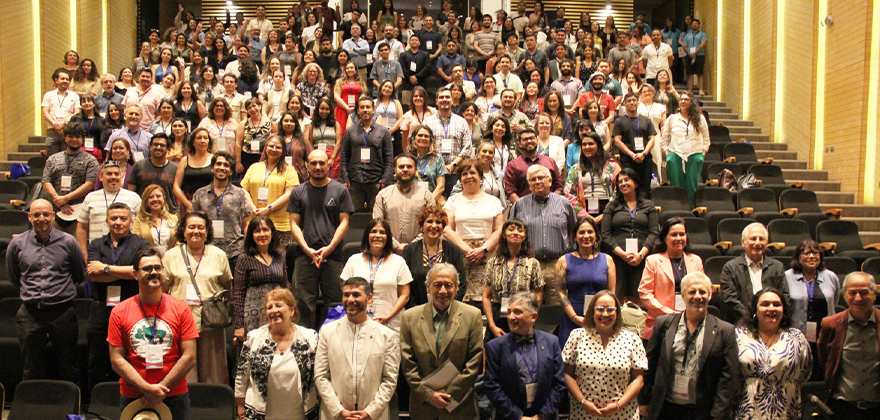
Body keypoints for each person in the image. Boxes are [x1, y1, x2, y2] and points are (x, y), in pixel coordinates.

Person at [108, 247, 198, 419]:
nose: (154, 272)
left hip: (173, 394)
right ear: (135, 274)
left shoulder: (181, 309)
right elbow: (116, 359)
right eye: (147, 269)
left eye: (158, 268)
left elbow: (190, 356)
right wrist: (145, 388)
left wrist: (160, 388)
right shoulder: (120, 311)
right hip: (134, 395)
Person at [638, 272, 739, 420]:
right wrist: (644, 401)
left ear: (710, 296)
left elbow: (728, 378)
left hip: (704, 412)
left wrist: (718, 414)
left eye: (703, 292)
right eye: (692, 292)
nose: (698, 296)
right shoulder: (664, 324)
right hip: (666, 408)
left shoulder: (725, 331)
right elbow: (650, 365)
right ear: (683, 296)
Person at [7, 198, 85, 383]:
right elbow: (14, 276)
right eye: (36, 214)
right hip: (30, 314)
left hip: (62, 312)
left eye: (45, 214)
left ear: (53, 215)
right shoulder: (17, 244)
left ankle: (69, 407)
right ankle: (32, 407)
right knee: (31, 367)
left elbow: (78, 274)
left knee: (67, 365)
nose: (41, 218)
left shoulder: (68, 242)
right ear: (29, 217)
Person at [400, 263, 483, 419]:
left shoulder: (472, 315)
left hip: (459, 406)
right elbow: (407, 363)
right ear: (428, 288)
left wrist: (449, 395)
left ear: (456, 289)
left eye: (448, 285)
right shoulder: (410, 317)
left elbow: (475, 360)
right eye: (437, 285)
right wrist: (428, 395)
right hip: (423, 407)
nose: (443, 291)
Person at [162, 210, 234, 384]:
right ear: (183, 230)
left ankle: (211, 408)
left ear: (207, 231)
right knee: (186, 371)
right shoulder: (171, 255)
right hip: (181, 321)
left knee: (213, 372)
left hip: (211, 322)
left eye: (201, 227)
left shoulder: (219, 255)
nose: (196, 231)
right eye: (191, 227)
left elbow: (228, 286)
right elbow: (164, 289)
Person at [84, 202, 150, 390]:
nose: (118, 222)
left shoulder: (141, 243)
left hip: (132, 309)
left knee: (131, 358)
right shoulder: (96, 244)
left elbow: (139, 271)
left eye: (123, 218)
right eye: (113, 218)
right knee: (97, 360)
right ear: (106, 221)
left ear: (131, 221)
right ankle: (97, 403)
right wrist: (127, 272)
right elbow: (93, 274)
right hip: (101, 310)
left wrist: (106, 269)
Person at [314, 277, 400, 420]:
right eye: (346, 295)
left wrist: (370, 412)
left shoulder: (386, 335)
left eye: (356, 294)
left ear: (369, 298)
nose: (350, 299)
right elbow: (321, 376)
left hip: (374, 416)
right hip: (335, 415)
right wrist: (339, 410)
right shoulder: (327, 332)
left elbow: (390, 380)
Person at [288, 150, 355, 328]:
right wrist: (307, 249)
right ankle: (303, 346)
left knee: (336, 304)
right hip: (305, 257)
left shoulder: (340, 191)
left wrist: (329, 249)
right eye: (314, 163)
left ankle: (333, 345)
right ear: (307, 166)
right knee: (300, 304)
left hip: (332, 257)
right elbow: (294, 224)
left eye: (322, 163)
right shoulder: (298, 192)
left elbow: (344, 223)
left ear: (329, 165)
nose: (318, 167)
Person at [234, 288, 319, 420]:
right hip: (260, 414)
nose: (273, 310)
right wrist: (240, 406)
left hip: (300, 414)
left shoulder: (310, 338)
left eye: (278, 305)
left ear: (292, 310)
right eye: (269, 307)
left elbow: (320, 375)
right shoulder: (254, 338)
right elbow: (241, 375)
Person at [563, 290, 647, 419]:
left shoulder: (632, 339)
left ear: (617, 312)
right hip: (584, 413)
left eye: (610, 309)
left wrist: (619, 405)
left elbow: (638, 379)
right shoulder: (576, 336)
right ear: (592, 311)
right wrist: (583, 402)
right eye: (600, 309)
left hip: (623, 414)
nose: (605, 314)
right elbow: (568, 375)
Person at [483, 292, 566, 419]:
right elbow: (491, 386)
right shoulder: (495, 347)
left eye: (517, 312)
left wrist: (542, 415)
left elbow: (559, 384)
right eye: (509, 312)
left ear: (533, 317)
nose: (510, 317)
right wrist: (518, 416)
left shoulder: (551, 342)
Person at [734, 288, 812, 419]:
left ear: (784, 310)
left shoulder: (796, 338)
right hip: (747, 412)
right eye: (765, 304)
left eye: (777, 304)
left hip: (785, 412)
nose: (771, 308)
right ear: (755, 310)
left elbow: (805, 372)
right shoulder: (739, 336)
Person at [817, 272, 880, 420]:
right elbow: (825, 360)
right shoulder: (830, 325)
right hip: (842, 409)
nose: (858, 298)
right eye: (852, 293)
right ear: (845, 296)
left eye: (864, 292)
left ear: (874, 294)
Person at [444, 159, 505, 303]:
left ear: (481, 178)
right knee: (461, 300)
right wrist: (467, 250)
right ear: (460, 180)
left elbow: (499, 229)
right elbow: (447, 229)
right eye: (464, 174)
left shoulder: (494, 201)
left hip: (488, 256)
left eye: (472, 172)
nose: (469, 176)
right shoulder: (453, 201)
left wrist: (483, 250)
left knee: (488, 300)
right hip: (460, 256)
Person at [638, 217, 705, 340]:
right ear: (665, 238)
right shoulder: (653, 261)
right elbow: (645, 293)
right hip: (661, 322)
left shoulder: (695, 260)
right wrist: (668, 313)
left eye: (682, 234)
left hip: (691, 322)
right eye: (674, 235)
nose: (678, 238)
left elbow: (703, 289)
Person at [340, 218, 412, 331]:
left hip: (391, 323)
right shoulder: (353, 261)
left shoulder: (398, 262)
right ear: (367, 236)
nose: (377, 235)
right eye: (373, 231)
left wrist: (388, 316)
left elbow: (405, 295)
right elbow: (347, 293)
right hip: (358, 323)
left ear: (388, 237)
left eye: (382, 232)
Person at [601, 167, 659, 303]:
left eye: (627, 180)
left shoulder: (648, 206)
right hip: (618, 259)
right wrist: (622, 254)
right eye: (620, 182)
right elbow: (605, 234)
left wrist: (641, 255)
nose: (623, 184)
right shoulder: (612, 206)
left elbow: (654, 232)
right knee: (618, 297)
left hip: (642, 259)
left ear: (636, 183)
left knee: (639, 298)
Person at [556, 216, 616, 347]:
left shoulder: (608, 260)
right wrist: (574, 317)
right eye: (581, 232)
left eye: (590, 232)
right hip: (572, 317)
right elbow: (560, 293)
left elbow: (612, 294)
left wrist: (603, 316)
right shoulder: (564, 261)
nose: (586, 236)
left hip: (601, 318)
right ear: (575, 237)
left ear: (596, 235)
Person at [481, 219, 545, 338]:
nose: (516, 233)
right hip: (497, 316)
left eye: (520, 231)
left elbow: (537, 295)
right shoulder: (492, 263)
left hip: (522, 316)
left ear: (524, 236)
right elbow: (486, 296)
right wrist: (492, 325)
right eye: (511, 229)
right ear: (504, 235)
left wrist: (529, 319)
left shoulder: (532, 263)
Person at [191, 152, 254, 271]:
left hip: (235, 252)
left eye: (226, 165)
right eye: (218, 164)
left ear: (230, 171)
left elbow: (246, 224)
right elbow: (192, 222)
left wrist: (246, 250)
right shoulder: (200, 194)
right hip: (206, 251)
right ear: (212, 168)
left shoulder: (240, 194)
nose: (222, 167)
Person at [232, 216, 289, 342]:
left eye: (265, 230)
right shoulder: (244, 258)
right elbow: (239, 294)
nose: (262, 234)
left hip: (277, 312)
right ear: (251, 235)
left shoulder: (279, 257)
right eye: (257, 231)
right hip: (253, 316)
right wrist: (239, 325)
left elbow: (285, 288)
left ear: (272, 233)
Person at [720, 223, 789, 323]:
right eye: (753, 239)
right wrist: (754, 317)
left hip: (771, 322)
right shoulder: (730, 267)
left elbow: (784, 296)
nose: (758, 243)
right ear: (743, 242)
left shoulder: (777, 267)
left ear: (766, 242)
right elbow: (730, 299)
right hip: (741, 323)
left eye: (761, 239)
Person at [240, 135, 299, 249]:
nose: (274, 149)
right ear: (266, 148)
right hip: (256, 220)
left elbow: (289, 194)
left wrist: (268, 209)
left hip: (279, 223)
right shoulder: (254, 167)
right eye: (271, 146)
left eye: (278, 147)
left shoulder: (289, 169)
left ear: (283, 151)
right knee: (255, 257)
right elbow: (244, 189)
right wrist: (252, 207)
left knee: (278, 260)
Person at [402, 206, 467, 307]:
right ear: (421, 225)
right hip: (417, 311)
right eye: (429, 221)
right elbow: (405, 286)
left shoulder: (454, 250)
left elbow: (461, 284)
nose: (434, 226)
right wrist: (417, 311)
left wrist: (447, 307)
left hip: (447, 310)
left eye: (438, 222)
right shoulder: (409, 251)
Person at [42, 122, 101, 234]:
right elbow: (46, 181)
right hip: (55, 211)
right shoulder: (52, 159)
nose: (74, 139)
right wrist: (59, 201)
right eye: (71, 136)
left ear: (83, 139)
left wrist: (66, 198)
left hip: (79, 214)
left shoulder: (91, 160)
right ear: (65, 138)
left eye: (77, 137)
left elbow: (90, 184)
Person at [339, 96, 394, 212]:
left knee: (376, 217)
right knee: (354, 219)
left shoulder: (384, 132)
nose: (365, 110)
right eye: (362, 107)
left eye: (368, 107)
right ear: (358, 111)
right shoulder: (350, 132)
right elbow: (344, 156)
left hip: (376, 181)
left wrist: (385, 179)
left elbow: (389, 158)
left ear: (373, 110)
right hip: (355, 181)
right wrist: (345, 178)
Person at [76, 160, 143, 256]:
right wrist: (84, 253)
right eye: (109, 174)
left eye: (116, 174)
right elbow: (81, 227)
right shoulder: (90, 197)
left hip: (127, 253)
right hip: (97, 253)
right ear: (101, 177)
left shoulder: (134, 197)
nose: (113, 177)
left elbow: (142, 224)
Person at [373, 154, 435, 253]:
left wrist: (411, 247)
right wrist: (395, 246)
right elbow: (378, 224)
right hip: (389, 251)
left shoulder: (427, 196)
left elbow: (431, 225)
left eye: (409, 166)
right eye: (401, 166)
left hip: (420, 252)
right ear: (395, 169)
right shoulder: (383, 195)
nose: (405, 169)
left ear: (416, 170)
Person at [422, 88, 474, 196]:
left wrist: (453, 165)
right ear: (436, 101)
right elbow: (423, 145)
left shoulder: (462, 122)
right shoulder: (427, 122)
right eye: (441, 97)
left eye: (447, 97)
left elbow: (467, 148)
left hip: (455, 172)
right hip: (433, 173)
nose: (444, 99)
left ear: (452, 100)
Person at [660, 92, 709, 205]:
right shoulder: (672, 118)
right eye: (681, 99)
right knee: (676, 186)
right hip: (675, 154)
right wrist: (668, 153)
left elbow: (706, 138)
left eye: (686, 99)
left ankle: (691, 210)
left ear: (691, 102)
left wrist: (702, 153)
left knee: (692, 186)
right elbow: (664, 139)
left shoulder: (700, 118)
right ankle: (678, 208)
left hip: (694, 154)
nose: (683, 101)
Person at [785, 240, 840, 338]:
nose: (811, 256)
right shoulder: (787, 276)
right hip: (794, 333)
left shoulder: (831, 277)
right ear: (798, 257)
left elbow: (834, 301)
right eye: (806, 253)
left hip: (824, 334)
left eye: (815, 253)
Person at [564, 132, 620, 219]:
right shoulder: (575, 169)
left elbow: (619, 191)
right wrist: (584, 216)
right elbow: (569, 194)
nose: (587, 147)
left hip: (609, 210)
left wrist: (607, 213)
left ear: (598, 146)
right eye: (584, 144)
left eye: (591, 144)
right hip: (584, 211)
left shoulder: (613, 166)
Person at [503, 128, 563, 203]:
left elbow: (559, 187)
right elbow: (510, 191)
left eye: (531, 138)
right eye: (525, 139)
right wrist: (523, 208)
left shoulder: (550, 162)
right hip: (524, 211)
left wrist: (550, 204)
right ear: (520, 144)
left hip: (550, 210)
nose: (529, 141)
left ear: (537, 140)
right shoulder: (513, 165)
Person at [613, 93, 657, 190]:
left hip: (645, 159)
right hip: (628, 159)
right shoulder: (619, 122)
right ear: (624, 104)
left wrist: (644, 153)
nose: (632, 103)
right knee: (629, 188)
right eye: (629, 101)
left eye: (634, 100)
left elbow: (652, 139)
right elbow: (617, 141)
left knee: (645, 188)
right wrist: (632, 154)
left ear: (638, 103)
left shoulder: (647, 120)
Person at [128, 133, 179, 214]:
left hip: (169, 214)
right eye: (155, 144)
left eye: (162, 145)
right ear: (150, 147)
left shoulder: (175, 169)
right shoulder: (138, 166)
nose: (158, 147)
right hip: (143, 214)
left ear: (168, 149)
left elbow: (179, 193)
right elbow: (131, 193)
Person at [172, 127, 214, 212]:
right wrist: (188, 204)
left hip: (211, 203)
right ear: (192, 142)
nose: (202, 141)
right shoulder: (185, 160)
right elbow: (176, 187)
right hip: (188, 203)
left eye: (205, 138)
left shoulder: (215, 159)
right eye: (199, 138)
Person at [42, 70, 82, 154]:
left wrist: (63, 124)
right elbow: (45, 112)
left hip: (68, 130)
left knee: (68, 157)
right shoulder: (48, 95)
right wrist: (55, 124)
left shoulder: (74, 96)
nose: (65, 81)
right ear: (56, 81)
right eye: (62, 79)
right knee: (52, 158)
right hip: (52, 130)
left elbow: (77, 112)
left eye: (67, 79)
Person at [132, 184, 178, 253]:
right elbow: (135, 242)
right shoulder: (139, 220)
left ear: (164, 199)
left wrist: (169, 256)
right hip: (148, 259)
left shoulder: (174, 219)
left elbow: (179, 241)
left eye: (158, 196)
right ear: (146, 201)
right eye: (151, 197)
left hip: (171, 259)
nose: (155, 199)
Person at [680, 19, 707, 95]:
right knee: (690, 73)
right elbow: (684, 45)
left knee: (700, 73)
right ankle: (690, 90)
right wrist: (689, 53)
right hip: (689, 56)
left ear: (699, 25)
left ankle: (701, 90)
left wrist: (696, 51)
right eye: (693, 24)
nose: (694, 25)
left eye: (696, 24)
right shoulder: (687, 35)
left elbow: (703, 44)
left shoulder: (702, 34)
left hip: (699, 55)